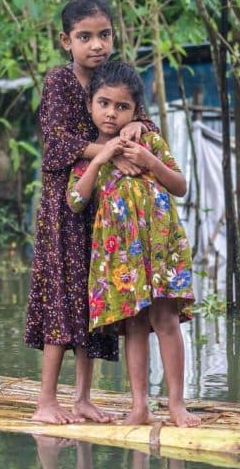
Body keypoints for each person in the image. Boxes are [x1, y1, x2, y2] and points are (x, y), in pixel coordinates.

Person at [24, 0, 158, 424]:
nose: (96, 45)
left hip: (104, 213)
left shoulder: (112, 81)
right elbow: (56, 144)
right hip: (64, 210)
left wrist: (138, 126)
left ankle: (82, 396)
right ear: (67, 41)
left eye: (104, 35)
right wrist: (108, 150)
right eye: (85, 37)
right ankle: (47, 399)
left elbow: (144, 121)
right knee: (62, 297)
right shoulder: (60, 83)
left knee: (91, 298)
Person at [67, 60, 200, 427]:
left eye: (122, 106)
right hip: (121, 256)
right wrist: (102, 158)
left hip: (160, 248)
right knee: (136, 325)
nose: (112, 113)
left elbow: (179, 185)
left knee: (166, 319)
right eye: (104, 103)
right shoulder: (88, 154)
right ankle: (139, 406)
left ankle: (176, 404)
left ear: (136, 111)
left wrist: (149, 160)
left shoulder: (149, 140)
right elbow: (75, 201)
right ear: (91, 104)